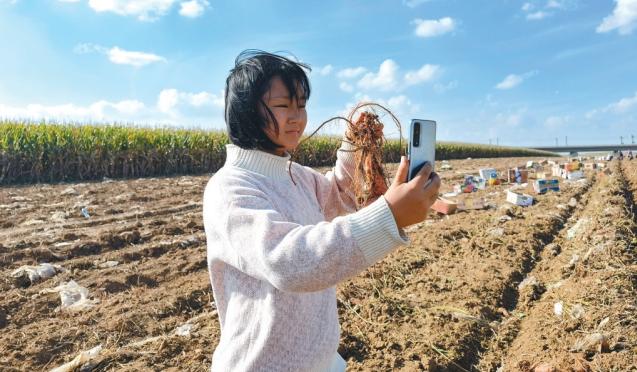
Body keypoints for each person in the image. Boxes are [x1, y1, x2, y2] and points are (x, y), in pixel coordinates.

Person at [202, 50, 440, 372]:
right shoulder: (230, 189)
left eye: (301, 105)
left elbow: (340, 198)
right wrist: (389, 217)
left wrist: (355, 144)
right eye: (283, 106)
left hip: (320, 361)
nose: (297, 117)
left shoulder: (296, 175)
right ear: (245, 112)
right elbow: (288, 262)